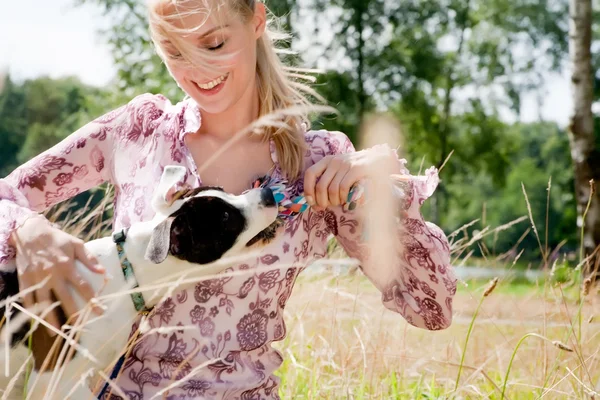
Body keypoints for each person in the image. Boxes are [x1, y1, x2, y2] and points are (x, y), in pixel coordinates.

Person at [0, 0, 457, 398]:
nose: (196, 70)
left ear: (256, 19)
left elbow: (431, 308)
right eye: (175, 51)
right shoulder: (139, 131)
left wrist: (378, 189)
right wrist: (30, 231)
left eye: (214, 44)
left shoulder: (315, 165)